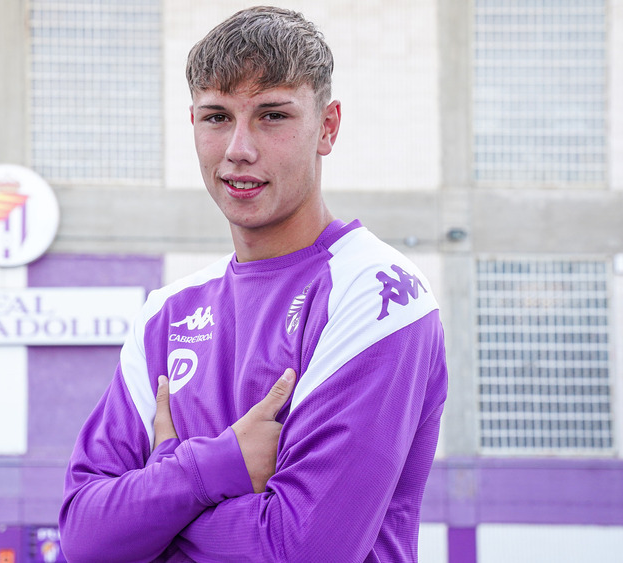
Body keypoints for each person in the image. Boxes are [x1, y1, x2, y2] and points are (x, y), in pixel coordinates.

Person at [59, 6, 447, 562]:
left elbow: (300, 549)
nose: (239, 148)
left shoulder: (377, 293)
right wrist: (211, 467)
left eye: (272, 115)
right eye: (217, 116)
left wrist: (155, 503)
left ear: (328, 127)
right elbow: (84, 537)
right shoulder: (168, 315)